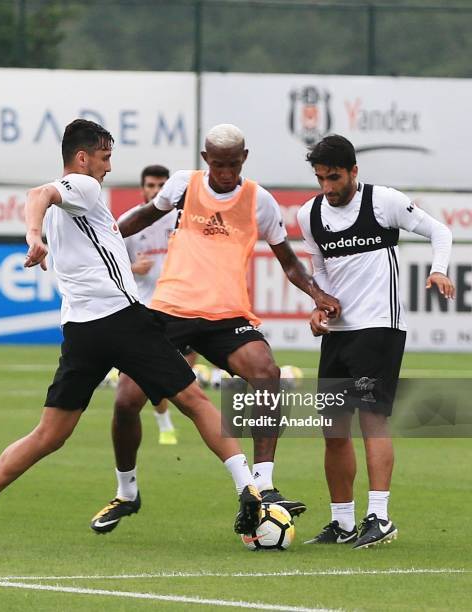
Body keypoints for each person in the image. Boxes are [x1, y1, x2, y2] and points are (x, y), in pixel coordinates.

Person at [0, 119, 265, 549]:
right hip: (121, 320)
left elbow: (39, 197)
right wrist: (33, 236)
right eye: (105, 157)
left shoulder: (69, 203)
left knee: (49, 434)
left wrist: (38, 232)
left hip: (80, 330)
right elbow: (37, 194)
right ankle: (250, 489)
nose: (109, 167)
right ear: (83, 157)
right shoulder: (85, 188)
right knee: (194, 400)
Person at [90, 123, 341, 534]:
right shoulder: (184, 185)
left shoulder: (260, 200)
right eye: (218, 164)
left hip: (227, 316)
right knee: (125, 401)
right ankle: (127, 492)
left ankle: (263, 483)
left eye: (233, 164)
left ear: (244, 158)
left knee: (267, 373)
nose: (225, 172)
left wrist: (315, 293)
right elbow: (140, 216)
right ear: (206, 160)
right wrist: (103, 234)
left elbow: (288, 261)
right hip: (170, 309)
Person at [299, 134, 455, 549]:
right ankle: (342, 522)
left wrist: (439, 270)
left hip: (379, 328)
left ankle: (380, 517)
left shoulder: (382, 201)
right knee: (333, 431)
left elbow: (440, 232)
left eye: (334, 178)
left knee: (372, 421)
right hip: (338, 334)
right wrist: (318, 307)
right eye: (320, 179)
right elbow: (320, 274)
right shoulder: (309, 214)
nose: (328, 188)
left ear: (353, 171)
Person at [121, 164, 197, 445]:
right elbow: (110, 267)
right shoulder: (128, 222)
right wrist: (132, 268)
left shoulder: (184, 218)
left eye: (160, 186)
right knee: (154, 379)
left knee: (180, 375)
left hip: (182, 307)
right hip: (147, 308)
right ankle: (164, 422)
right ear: (142, 188)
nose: (155, 191)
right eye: (150, 186)